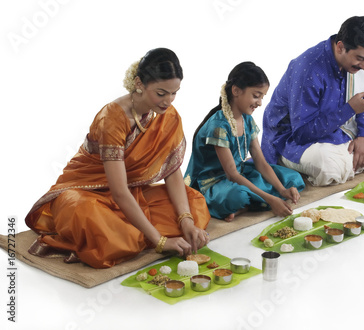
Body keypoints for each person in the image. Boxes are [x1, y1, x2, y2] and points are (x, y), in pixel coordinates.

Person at [25, 48, 211, 268]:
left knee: (195, 203)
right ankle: (133, 234)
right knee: (108, 231)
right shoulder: (113, 118)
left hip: (131, 191)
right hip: (84, 192)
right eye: (161, 93)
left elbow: (171, 171)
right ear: (139, 84)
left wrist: (186, 221)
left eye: (174, 93)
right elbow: (119, 191)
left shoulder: (167, 116)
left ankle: (134, 230)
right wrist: (160, 241)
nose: (168, 101)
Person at [261, 16, 364, 186]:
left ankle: (356, 160)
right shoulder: (308, 69)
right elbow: (302, 134)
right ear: (340, 47)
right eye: (361, 58)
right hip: (291, 140)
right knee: (328, 164)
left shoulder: (359, 62)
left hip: (341, 131)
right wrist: (350, 109)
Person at [184, 62, 305, 221]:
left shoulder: (247, 120)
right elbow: (232, 174)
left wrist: (282, 190)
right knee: (237, 196)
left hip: (239, 172)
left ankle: (249, 206)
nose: (260, 103)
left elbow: (261, 162)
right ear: (236, 90)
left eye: (262, 97)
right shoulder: (218, 126)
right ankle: (249, 205)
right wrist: (271, 199)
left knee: (292, 178)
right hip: (214, 183)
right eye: (256, 95)